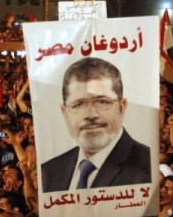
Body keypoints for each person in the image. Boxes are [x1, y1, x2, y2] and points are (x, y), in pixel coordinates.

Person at [41, 57, 151, 191]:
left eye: (102, 102)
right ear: (64, 112)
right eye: (78, 104)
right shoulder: (49, 171)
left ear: (121, 108)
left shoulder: (149, 166)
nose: (90, 114)